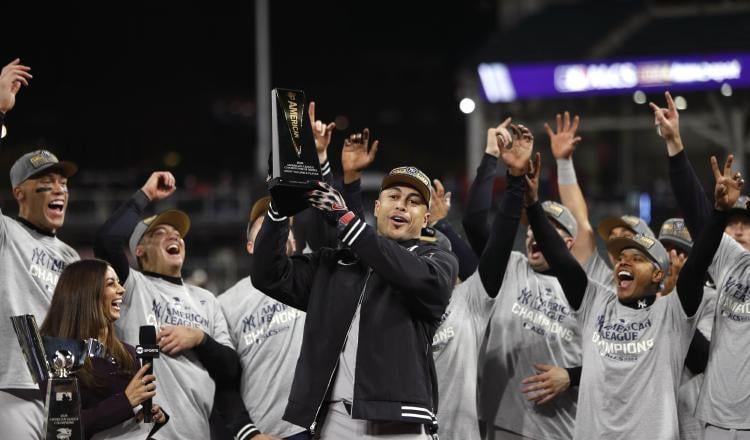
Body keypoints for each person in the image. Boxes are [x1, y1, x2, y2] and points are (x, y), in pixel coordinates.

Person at [525, 151, 734, 439]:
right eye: (621, 255)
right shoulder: (595, 301)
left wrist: (720, 213)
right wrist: (532, 203)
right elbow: (561, 258)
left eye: (637, 258)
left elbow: (698, 263)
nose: (624, 261)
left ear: (658, 274)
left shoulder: (671, 313)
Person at [251, 163, 458, 438]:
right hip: (335, 422)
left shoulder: (438, 260)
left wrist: (345, 219)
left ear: (426, 218)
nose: (401, 206)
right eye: (393, 197)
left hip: (400, 422)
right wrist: (278, 211)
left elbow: (416, 277)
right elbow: (268, 275)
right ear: (376, 207)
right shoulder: (336, 263)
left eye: (414, 202)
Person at [94, 172, 239, 440]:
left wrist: (199, 338)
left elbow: (231, 370)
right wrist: (146, 194)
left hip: (197, 430)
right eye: (160, 232)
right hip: (144, 430)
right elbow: (106, 240)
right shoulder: (130, 286)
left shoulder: (206, 299)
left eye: (178, 234)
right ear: (140, 249)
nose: (174, 237)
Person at [466, 120, 581, 440]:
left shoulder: (584, 290)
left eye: (546, 227)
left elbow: (613, 364)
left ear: (567, 243)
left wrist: (571, 376)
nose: (533, 232)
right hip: (497, 422)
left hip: (557, 430)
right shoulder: (511, 267)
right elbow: (475, 223)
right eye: (532, 225)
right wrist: (491, 156)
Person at [651, 91, 750, 438]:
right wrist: (675, 144)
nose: (738, 229)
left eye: (746, 223)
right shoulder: (734, 262)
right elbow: (696, 211)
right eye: (733, 221)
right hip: (717, 419)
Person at [0, 58, 82, 439]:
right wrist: (0, 108)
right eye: (46, 182)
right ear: (19, 194)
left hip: (63, 390)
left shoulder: (70, 257)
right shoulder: (5, 233)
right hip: (13, 388)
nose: (59, 189)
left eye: (62, 183)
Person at [40, 259, 167, 439]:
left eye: (119, 282)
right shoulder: (59, 355)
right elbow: (64, 428)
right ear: (85, 294)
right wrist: (125, 402)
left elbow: (125, 416)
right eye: (110, 283)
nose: (122, 290)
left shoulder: (128, 353)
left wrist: (146, 415)